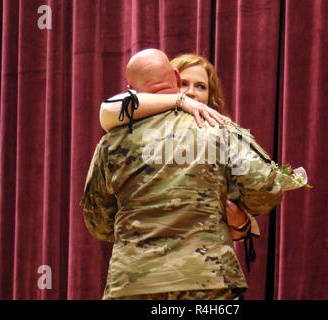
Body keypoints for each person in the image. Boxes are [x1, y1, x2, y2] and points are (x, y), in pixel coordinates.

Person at [81, 48, 283, 300]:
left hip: (133, 284)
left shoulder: (111, 142)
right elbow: (265, 189)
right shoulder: (220, 130)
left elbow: (97, 221)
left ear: (130, 90)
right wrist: (230, 214)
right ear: (176, 76)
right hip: (208, 284)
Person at [99, 53, 258, 242]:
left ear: (210, 95)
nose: (191, 92)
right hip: (146, 257)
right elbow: (108, 110)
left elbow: (241, 224)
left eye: (201, 86)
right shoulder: (128, 133)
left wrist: (240, 221)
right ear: (171, 80)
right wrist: (179, 101)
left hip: (203, 259)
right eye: (183, 83)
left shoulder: (224, 139)